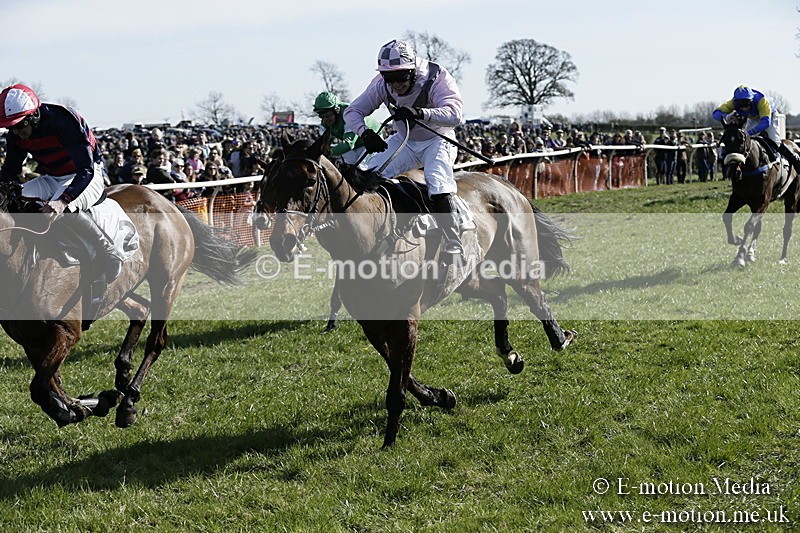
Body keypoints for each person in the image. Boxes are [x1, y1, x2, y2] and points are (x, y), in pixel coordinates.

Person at [344, 39, 464, 256]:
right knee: (367, 175)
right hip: (405, 140)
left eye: (401, 77)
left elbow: (455, 114)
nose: (395, 84)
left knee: (437, 181)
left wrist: (421, 113)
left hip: (438, 139)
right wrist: (365, 133)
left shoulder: (436, 76)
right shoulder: (382, 83)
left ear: (412, 70)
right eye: (389, 78)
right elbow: (352, 111)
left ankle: (453, 239)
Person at [0, 84, 123, 286]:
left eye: (19, 125)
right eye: (10, 127)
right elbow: (10, 172)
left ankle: (108, 251)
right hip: (52, 176)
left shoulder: (64, 120)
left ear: (33, 116)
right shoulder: (16, 133)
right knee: (16, 197)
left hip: (86, 174)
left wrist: (63, 200)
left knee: (63, 207)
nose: (15, 131)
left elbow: (86, 169)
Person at [712, 85, 800, 173]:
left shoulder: (762, 101)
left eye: (746, 104)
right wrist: (726, 116)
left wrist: (749, 133)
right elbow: (715, 113)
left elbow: (765, 123)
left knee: (775, 142)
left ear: (751, 101)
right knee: (745, 142)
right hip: (753, 118)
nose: (744, 108)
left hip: (769, 116)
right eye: (740, 106)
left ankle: (794, 157)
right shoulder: (732, 103)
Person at [313, 91, 382, 166]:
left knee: (362, 168)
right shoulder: (324, 123)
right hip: (356, 144)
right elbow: (323, 145)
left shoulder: (349, 115)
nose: (326, 119)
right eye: (322, 115)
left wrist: (330, 152)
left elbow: (348, 144)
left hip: (372, 140)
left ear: (336, 110)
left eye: (328, 115)